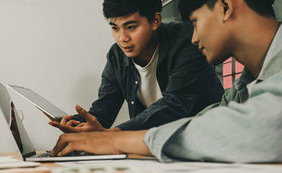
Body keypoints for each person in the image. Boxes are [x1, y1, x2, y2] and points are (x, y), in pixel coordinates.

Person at [51, 0, 282, 163]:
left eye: (194, 22)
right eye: (115, 28)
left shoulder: (182, 42)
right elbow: (210, 120)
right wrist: (83, 127)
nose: (194, 37)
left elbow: (253, 130)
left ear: (225, 6)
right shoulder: (246, 86)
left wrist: (115, 140)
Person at [49, 0, 224, 133]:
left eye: (131, 27)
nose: (122, 38)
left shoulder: (187, 41)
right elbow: (104, 111)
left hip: (206, 137)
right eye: (115, 28)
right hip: (155, 148)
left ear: (155, 20)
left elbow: (175, 103)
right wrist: (76, 123)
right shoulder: (116, 55)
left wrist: (115, 135)